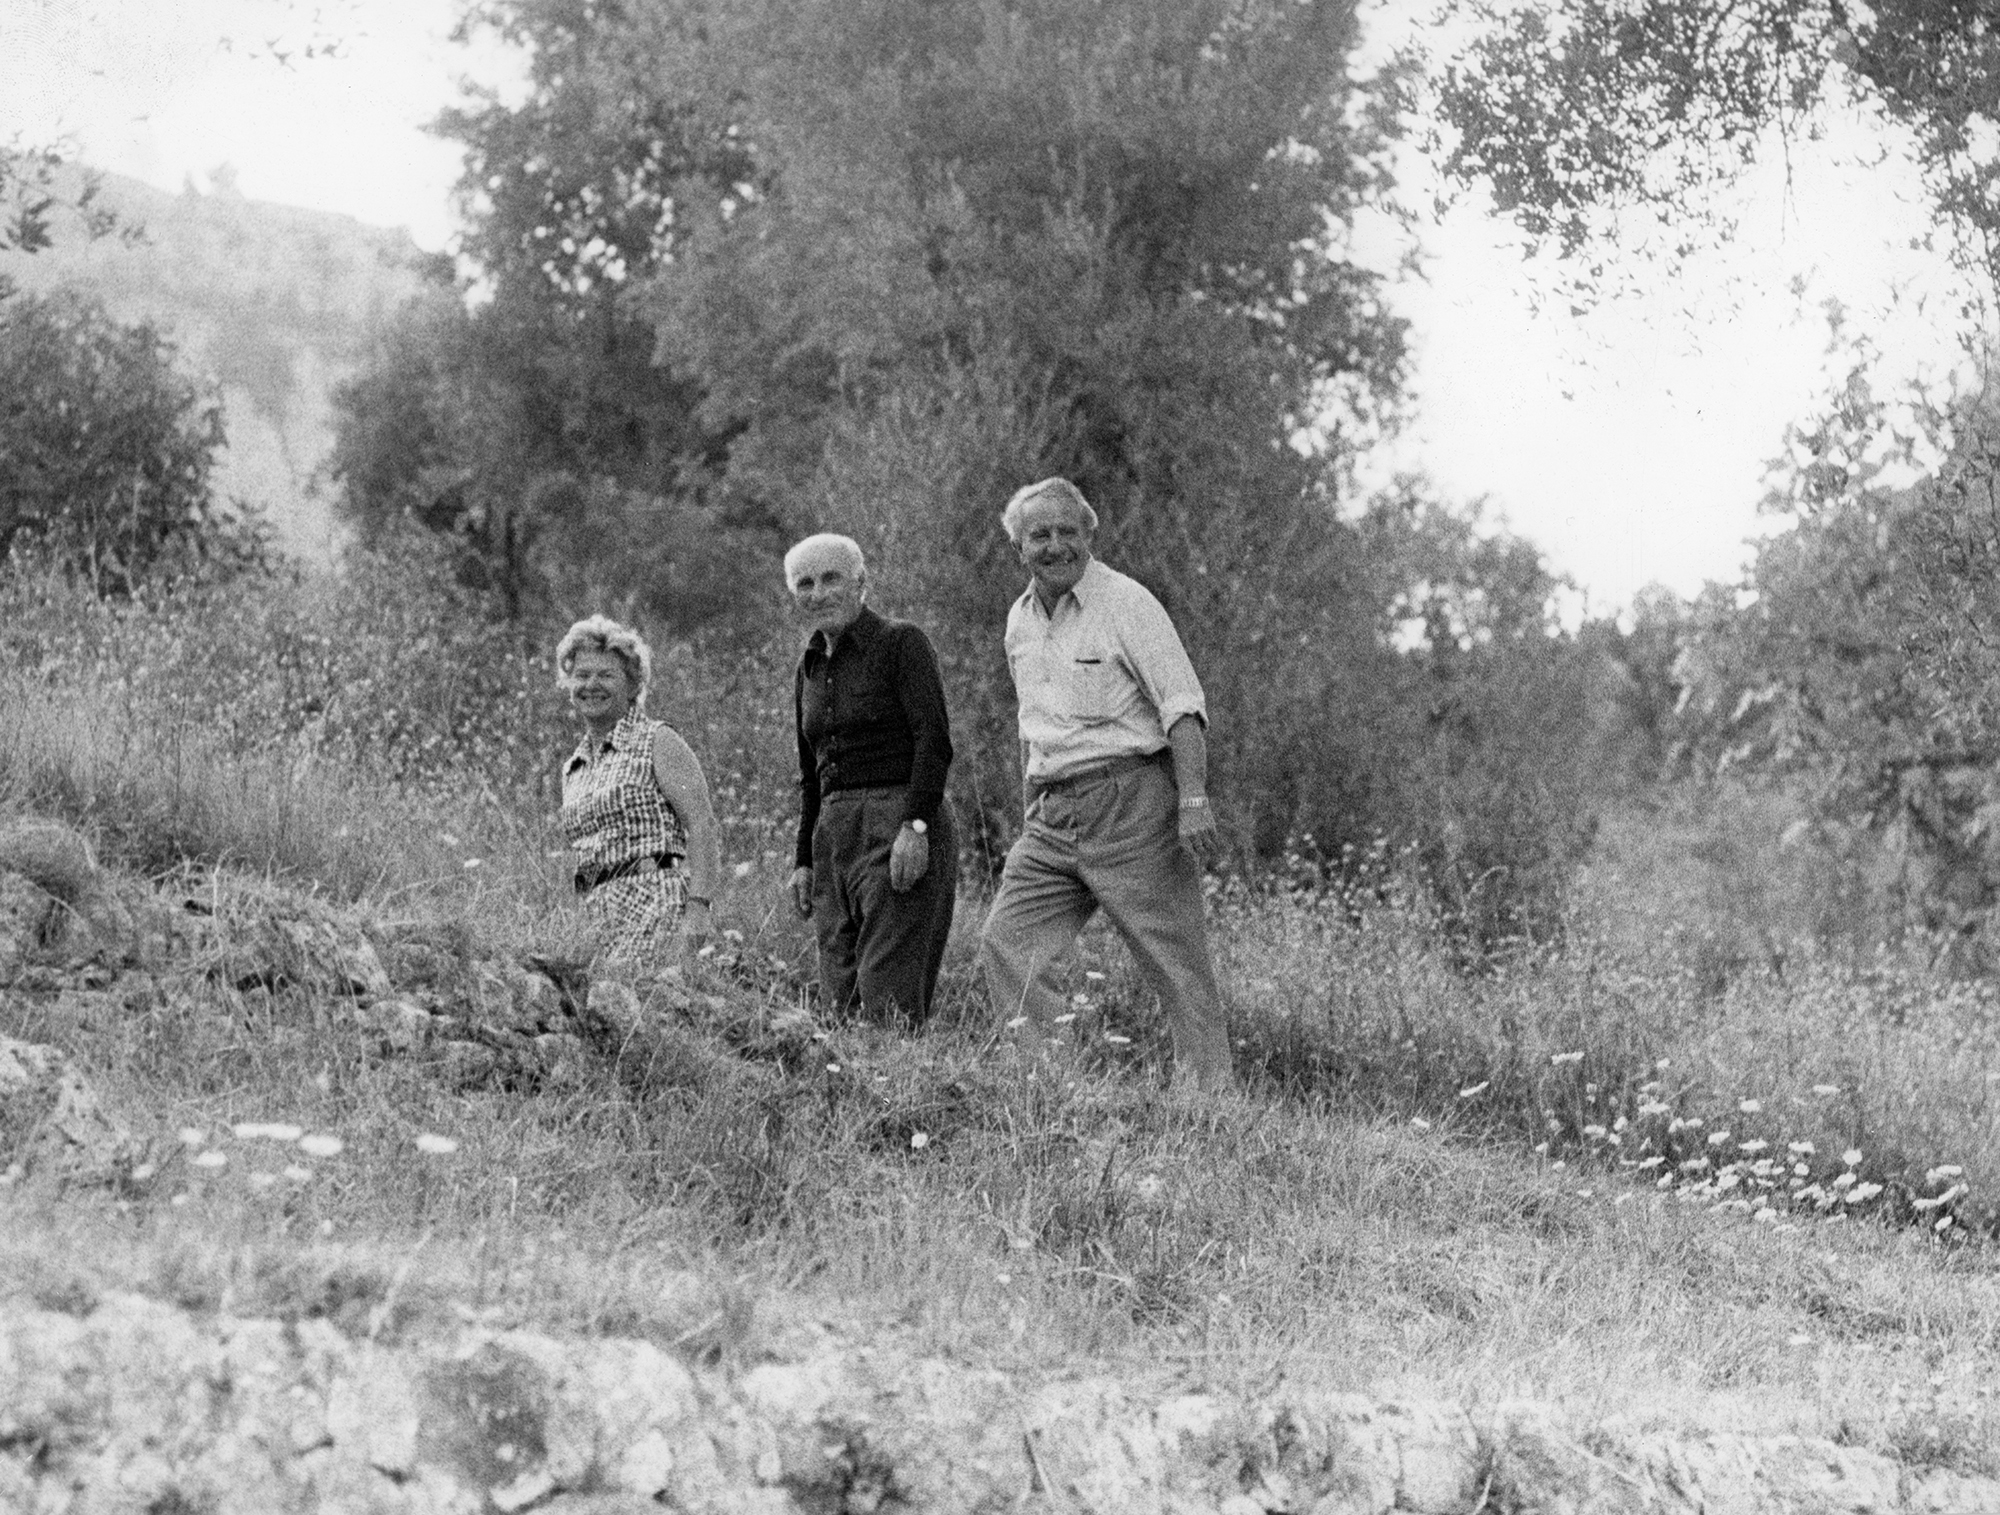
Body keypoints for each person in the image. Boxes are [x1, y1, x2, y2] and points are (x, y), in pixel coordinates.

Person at [978, 477, 1233, 1091]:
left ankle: (1212, 1108)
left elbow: (1182, 708)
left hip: (1132, 805)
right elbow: (1029, 728)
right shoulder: (1019, 620)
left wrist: (1193, 799)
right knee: (1005, 942)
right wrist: (1026, 812)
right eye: (1040, 535)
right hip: (1052, 814)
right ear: (1019, 547)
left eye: (1069, 532)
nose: (1056, 545)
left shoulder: (1128, 603)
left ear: (1089, 536)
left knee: (1176, 963)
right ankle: (1046, 1091)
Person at [787, 533, 958, 1026]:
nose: (818, 592)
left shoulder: (900, 642)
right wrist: (803, 860)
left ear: (861, 583)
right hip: (833, 836)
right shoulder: (808, 667)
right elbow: (810, 773)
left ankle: (901, 1096)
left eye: (831, 578)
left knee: (889, 996)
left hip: (898, 821)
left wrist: (917, 827)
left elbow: (934, 740)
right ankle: (849, 1100)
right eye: (805, 584)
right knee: (836, 998)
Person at [556, 615, 722, 964]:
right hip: (593, 917)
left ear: (632, 686)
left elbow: (702, 825)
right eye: (582, 675)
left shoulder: (658, 741)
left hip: (653, 904)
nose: (592, 685)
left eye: (606, 675)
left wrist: (698, 909)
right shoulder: (574, 767)